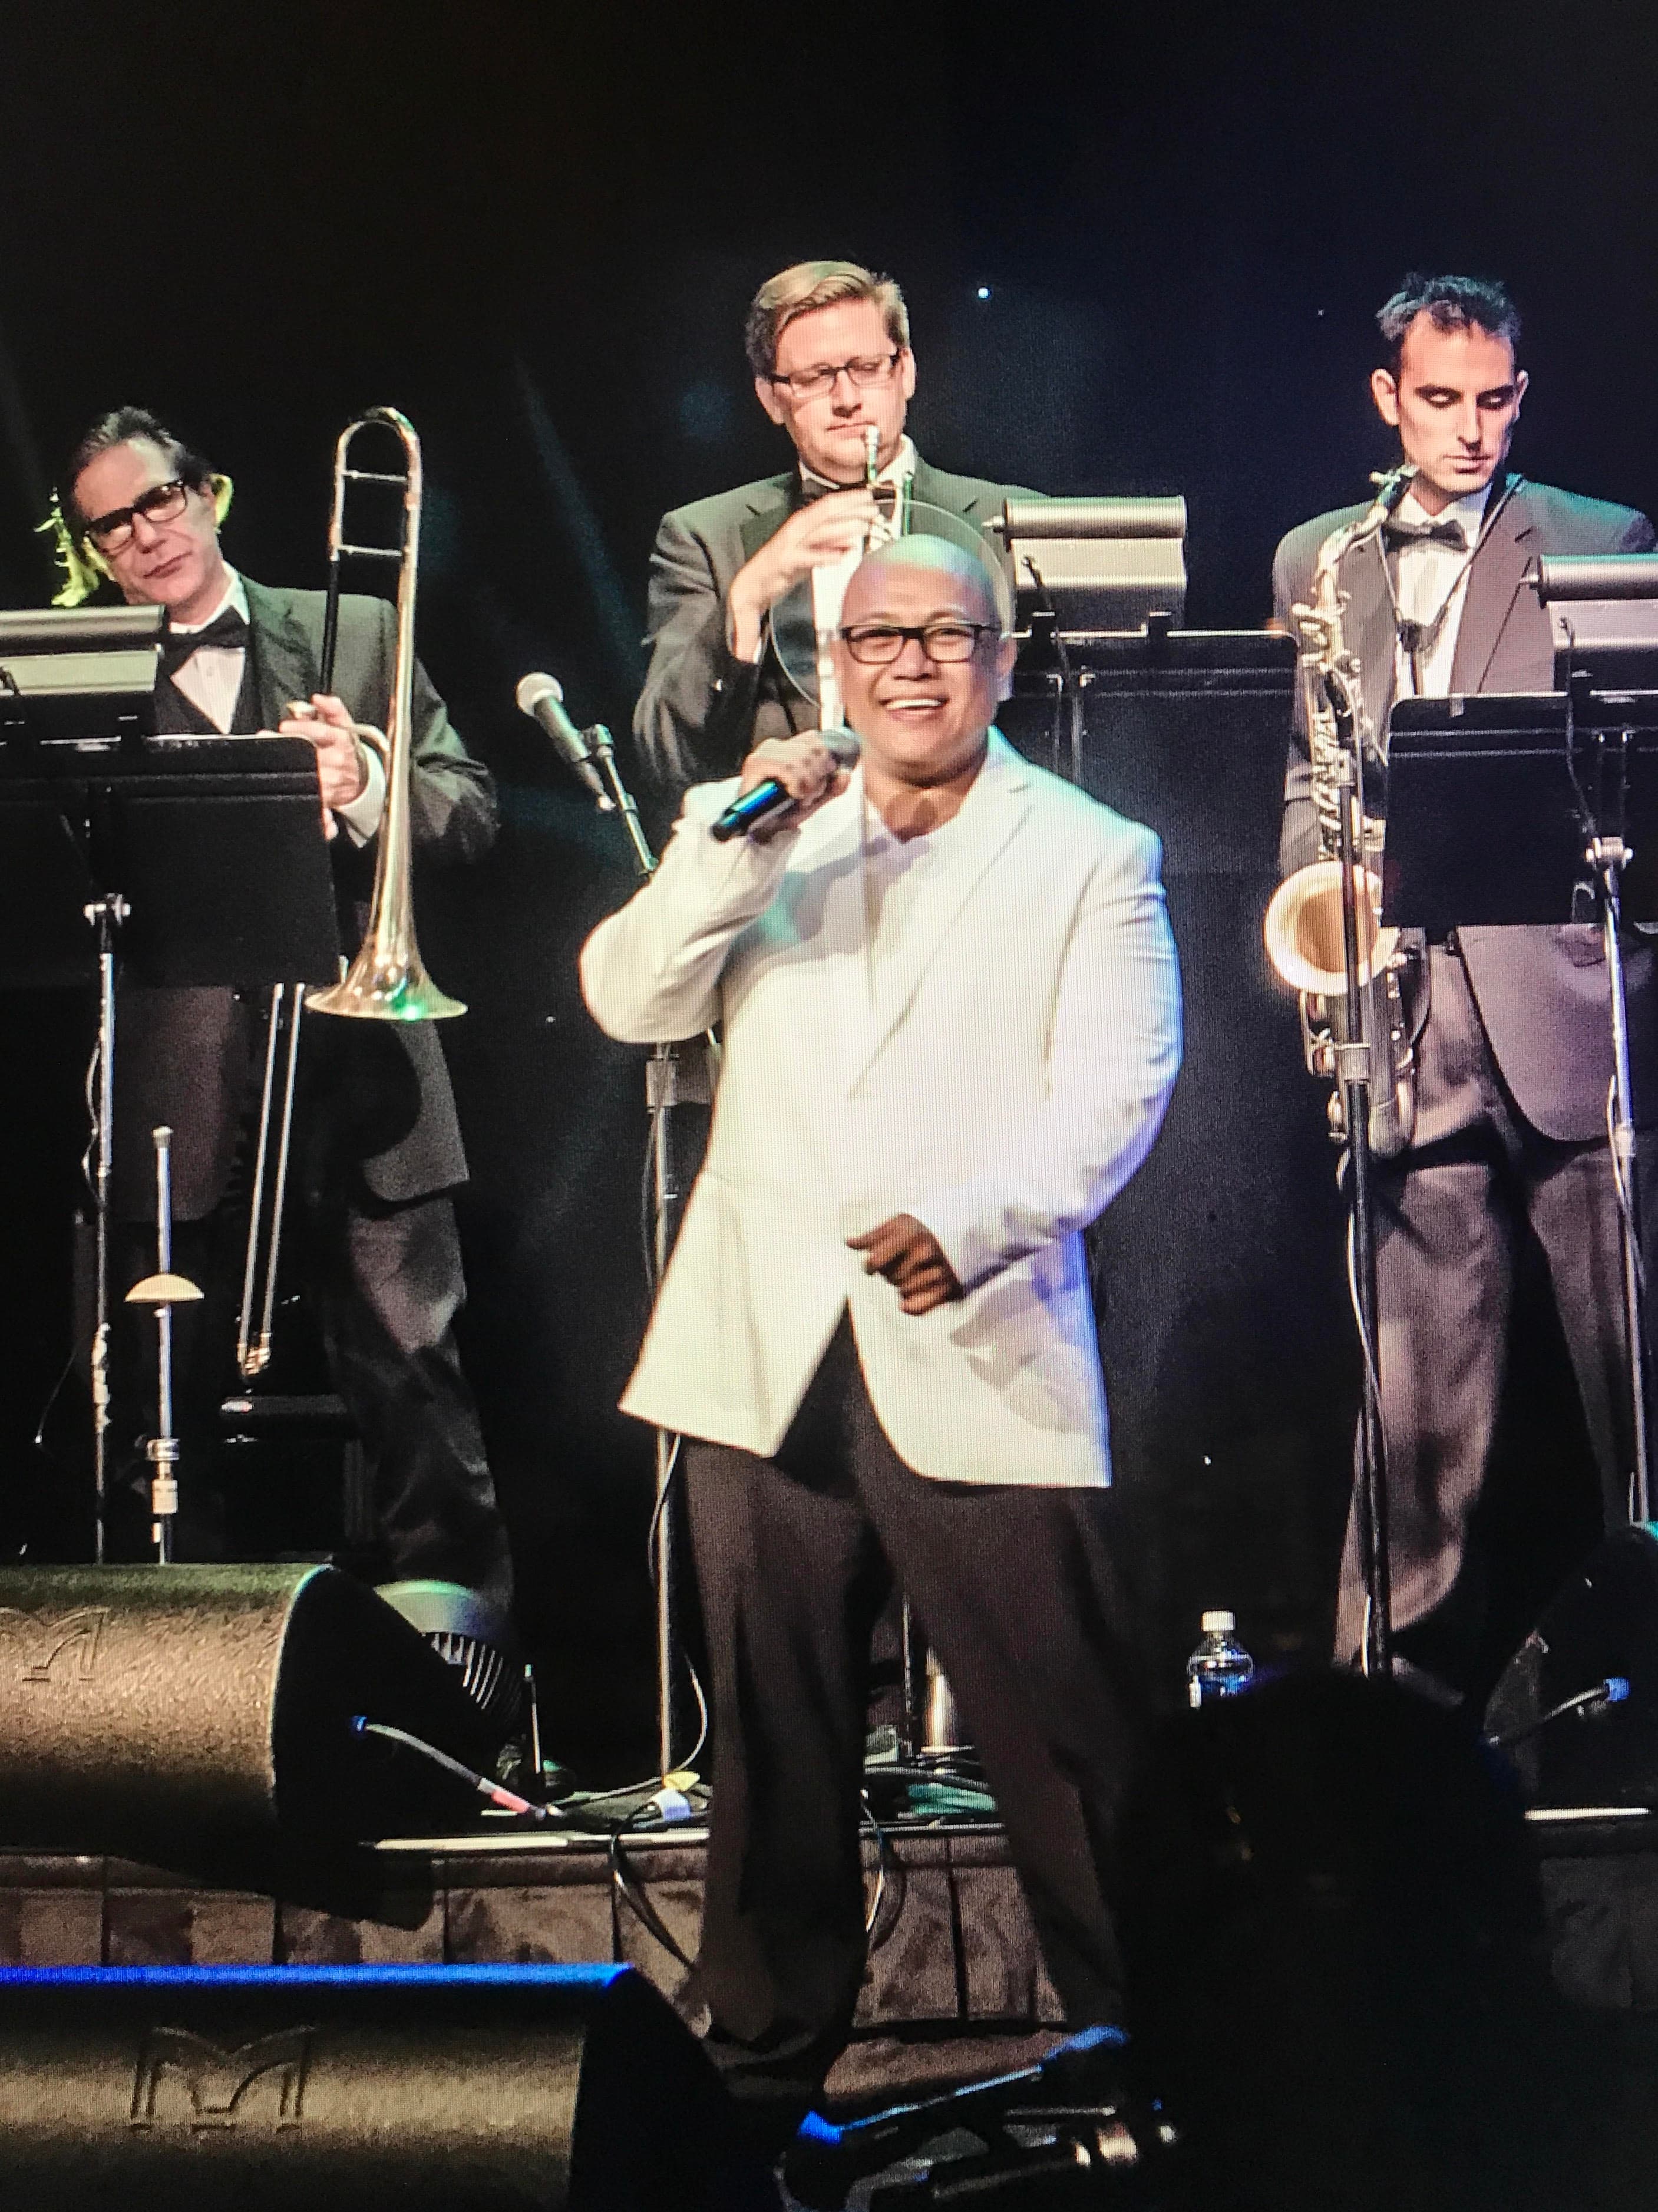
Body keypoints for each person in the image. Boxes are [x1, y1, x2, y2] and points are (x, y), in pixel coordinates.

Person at [583, 533, 1183, 2150]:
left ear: (1002, 659)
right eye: (876, 639)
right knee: (772, 1747)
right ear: (832, 666)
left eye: (944, 635)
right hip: (765, 1354)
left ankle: (1158, 2057)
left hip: (970, 1334)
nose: (910, 663)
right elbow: (629, 998)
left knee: (1062, 1741)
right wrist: (734, 842)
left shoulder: (1088, 853)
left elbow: (1114, 1091)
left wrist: (973, 1224)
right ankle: (760, 2078)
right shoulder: (761, 832)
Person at [55, 408, 514, 1633]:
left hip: (367, 1071)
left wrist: (364, 782)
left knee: (418, 1389)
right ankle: (165, 1687)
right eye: (112, 524)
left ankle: (457, 1673)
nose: (145, 534)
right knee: (157, 1414)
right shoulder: (86, 666)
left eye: (159, 500)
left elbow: (470, 813)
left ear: (208, 493)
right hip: (180, 1091)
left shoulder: (353, 628)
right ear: (93, 550)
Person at [1273, 275, 1656, 1702]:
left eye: (1495, 400)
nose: (1472, 428)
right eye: (1440, 400)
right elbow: (1308, 769)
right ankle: (1391, 1730)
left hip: (1567, 1011)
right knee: (1417, 1420)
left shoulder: (1604, 537)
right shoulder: (1320, 557)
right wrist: (1316, 897)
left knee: (1638, 1394)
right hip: (1406, 1017)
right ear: (1387, 397)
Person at [633, 257, 1023, 795]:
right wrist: (747, 598)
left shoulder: (1012, 524)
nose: (847, 399)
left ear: (906, 371)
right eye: (816, 378)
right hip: (795, 840)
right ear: (772, 398)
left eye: (867, 367)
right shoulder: (703, 538)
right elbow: (669, 757)